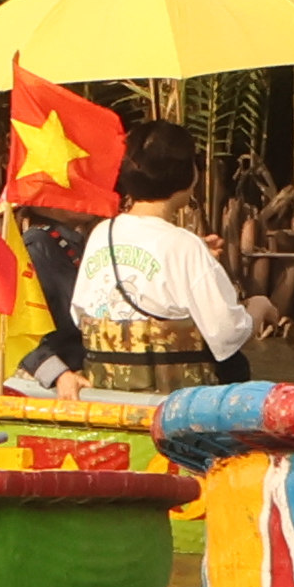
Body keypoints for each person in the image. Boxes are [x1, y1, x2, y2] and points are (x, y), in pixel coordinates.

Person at [51, 121, 256, 394]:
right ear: (188, 176)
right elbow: (227, 334)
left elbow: (80, 315)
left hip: (108, 389)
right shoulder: (186, 246)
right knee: (234, 362)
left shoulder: (102, 233)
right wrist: (259, 308)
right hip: (175, 397)